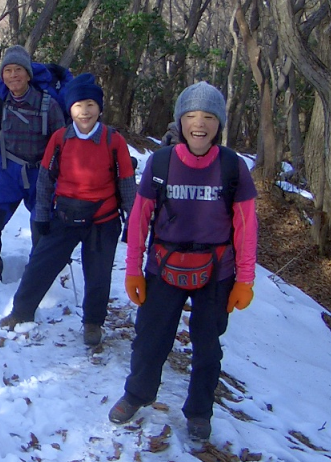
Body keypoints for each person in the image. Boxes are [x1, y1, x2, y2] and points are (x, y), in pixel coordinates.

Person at [108, 81, 257, 442]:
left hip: (217, 271)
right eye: (191, 116)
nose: (199, 124)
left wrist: (245, 279)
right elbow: (140, 220)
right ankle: (137, 394)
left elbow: (246, 225)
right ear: (180, 121)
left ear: (219, 123)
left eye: (208, 116)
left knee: (208, 348)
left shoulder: (232, 167)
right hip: (163, 265)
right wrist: (132, 271)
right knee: (150, 339)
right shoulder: (161, 162)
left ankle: (199, 412)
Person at [0, 74, 137, 345]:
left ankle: (93, 323)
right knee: (40, 265)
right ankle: (21, 311)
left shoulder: (113, 140)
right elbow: (45, 179)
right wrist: (40, 216)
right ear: (69, 108)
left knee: (98, 275)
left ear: (99, 108)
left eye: (90, 105)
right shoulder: (61, 138)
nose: (84, 112)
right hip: (64, 214)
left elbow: (127, 183)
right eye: (77, 106)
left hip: (103, 219)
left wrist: (133, 220)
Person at [0, 45, 67, 293]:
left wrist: (64, 179)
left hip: (41, 178)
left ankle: (38, 278)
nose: (13, 75)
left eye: (18, 69)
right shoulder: (0, 104)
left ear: (28, 74)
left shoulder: (48, 105)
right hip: (9, 176)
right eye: (8, 70)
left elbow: (63, 146)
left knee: (42, 231)